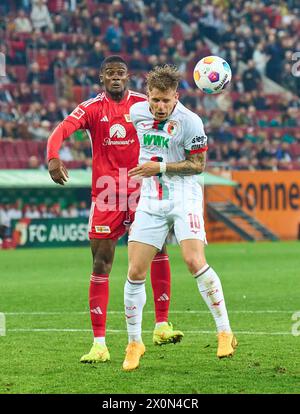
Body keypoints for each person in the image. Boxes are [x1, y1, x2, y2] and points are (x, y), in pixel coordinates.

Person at [47, 56, 183, 363]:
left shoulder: (142, 104)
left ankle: (161, 325)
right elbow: (60, 130)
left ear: (128, 77)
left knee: (159, 250)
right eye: (110, 74)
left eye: (120, 73)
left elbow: (174, 119)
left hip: (142, 192)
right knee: (101, 264)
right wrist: (53, 156)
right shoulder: (92, 108)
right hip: (107, 195)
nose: (116, 78)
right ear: (102, 79)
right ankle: (99, 344)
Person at [122, 65, 237, 371]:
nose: (160, 107)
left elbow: (198, 165)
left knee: (193, 261)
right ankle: (135, 342)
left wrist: (158, 168)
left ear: (176, 97)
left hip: (184, 196)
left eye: (166, 101)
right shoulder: (135, 113)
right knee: (134, 270)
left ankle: (225, 331)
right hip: (150, 198)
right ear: (148, 95)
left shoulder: (191, 122)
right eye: (155, 100)